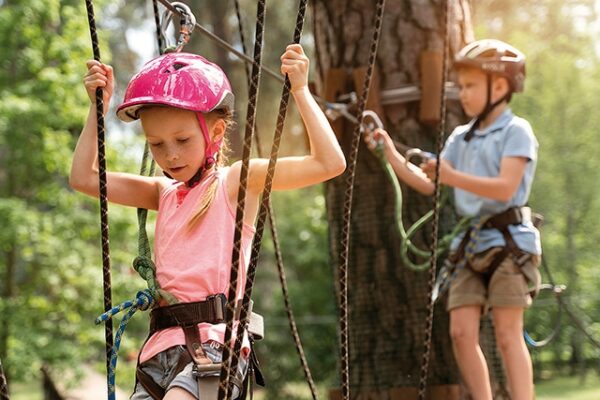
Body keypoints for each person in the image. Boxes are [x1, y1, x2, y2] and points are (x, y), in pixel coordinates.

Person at [70, 44, 346, 400]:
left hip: (216, 349)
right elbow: (85, 179)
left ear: (215, 133)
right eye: (156, 144)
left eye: (183, 140)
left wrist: (302, 91)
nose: (170, 154)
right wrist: (96, 110)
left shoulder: (235, 184)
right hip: (160, 351)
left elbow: (329, 163)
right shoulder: (162, 192)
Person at [366, 39, 541, 400]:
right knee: (461, 333)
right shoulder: (461, 137)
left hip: (510, 243)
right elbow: (430, 184)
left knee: (508, 335)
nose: (463, 94)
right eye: (460, 86)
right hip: (472, 245)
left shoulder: (516, 131)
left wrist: (452, 176)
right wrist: (392, 155)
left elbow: (506, 188)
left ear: (501, 86)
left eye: (471, 86)